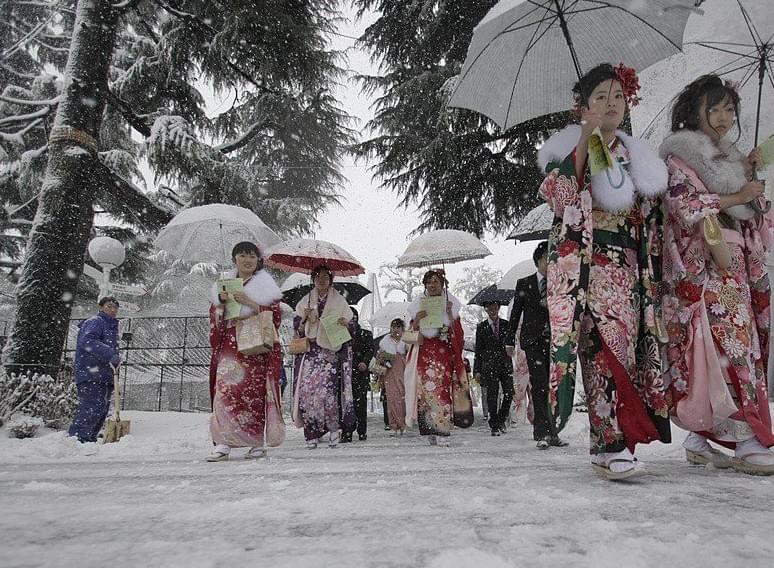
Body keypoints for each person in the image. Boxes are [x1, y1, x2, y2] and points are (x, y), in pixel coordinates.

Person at [537, 63, 671, 479]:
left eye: (617, 96)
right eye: (600, 98)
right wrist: (585, 138)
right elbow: (562, 199)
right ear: (583, 106)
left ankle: (611, 444)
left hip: (629, 270)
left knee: (626, 354)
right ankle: (612, 443)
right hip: (588, 271)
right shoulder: (569, 148)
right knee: (601, 355)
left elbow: (649, 216)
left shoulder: (637, 156)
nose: (611, 104)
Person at [659, 75, 774, 475]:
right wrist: (738, 195)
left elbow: (760, 218)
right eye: (716, 108)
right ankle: (746, 438)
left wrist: (752, 182)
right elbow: (685, 207)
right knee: (729, 347)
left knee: (730, 349)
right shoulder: (679, 159)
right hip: (705, 265)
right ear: (695, 111)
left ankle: (700, 435)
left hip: (736, 264)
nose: (724, 118)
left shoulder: (734, 158)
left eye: (729, 109)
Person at [206, 242, 283, 461]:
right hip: (230, 348)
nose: (247, 260)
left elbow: (275, 318)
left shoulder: (267, 287)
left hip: (253, 348)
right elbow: (215, 318)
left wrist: (250, 303)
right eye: (242, 255)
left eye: (252, 256)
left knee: (253, 396)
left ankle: (255, 441)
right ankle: (223, 442)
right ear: (234, 259)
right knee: (224, 393)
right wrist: (220, 305)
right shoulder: (224, 285)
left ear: (258, 260)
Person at [507, 241, 567, 449]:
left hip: (557, 341)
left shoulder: (560, 284)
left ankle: (554, 431)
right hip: (533, 341)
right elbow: (515, 315)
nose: (548, 264)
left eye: (552, 260)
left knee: (555, 386)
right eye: (545, 260)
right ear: (538, 261)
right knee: (540, 385)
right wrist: (509, 341)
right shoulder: (525, 283)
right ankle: (541, 432)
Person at [292, 265, 356, 449]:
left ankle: (334, 429)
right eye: (318, 277)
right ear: (313, 279)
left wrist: (346, 323)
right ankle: (311, 432)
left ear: (331, 280)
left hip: (329, 352)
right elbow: (298, 329)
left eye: (325, 277)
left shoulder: (339, 301)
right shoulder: (306, 300)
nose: (321, 280)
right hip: (310, 352)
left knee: (327, 393)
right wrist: (303, 319)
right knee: (307, 393)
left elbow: (351, 326)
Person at [404, 269, 467, 446]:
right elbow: (409, 336)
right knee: (424, 392)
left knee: (441, 390)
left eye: (436, 282)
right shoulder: (418, 305)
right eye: (428, 282)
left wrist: (449, 316)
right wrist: (416, 320)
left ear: (442, 285)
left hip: (442, 354)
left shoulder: (450, 305)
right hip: (424, 353)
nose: (432, 285)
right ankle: (429, 430)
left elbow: (458, 336)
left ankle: (442, 429)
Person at [68, 296, 121, 443]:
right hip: (91, 373)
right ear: (101, 307)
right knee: (91, 407)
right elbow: (87, 341)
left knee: (101, 410)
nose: (113, 310)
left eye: (115, 307)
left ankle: (89, 439)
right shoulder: (95, 322)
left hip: (104, 376)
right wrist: (110, 354)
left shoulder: (112, 328)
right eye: (109, 306)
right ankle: (77, 440)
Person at [474, 301, 514, 437]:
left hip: (505, 363)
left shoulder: (506, 325)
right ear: (486, 310)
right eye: (490, 308)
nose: (493, 310)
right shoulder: (481, 327)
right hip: (489, 365)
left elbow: (511, 342)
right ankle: (494, 425)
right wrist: (477, 370)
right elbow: (478, 351)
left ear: (498, 308)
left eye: (495, 307)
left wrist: (510, 348)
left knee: (509, 392)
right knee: (492, 396)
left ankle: (502, 418)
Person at [342, 308, 374, 442]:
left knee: (360, 402)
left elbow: (370, 349)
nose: (352, 320)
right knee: (346, 403)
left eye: (353, 317)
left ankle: (362, 430)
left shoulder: (365, 334)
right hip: (345, 373)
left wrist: (365, 362)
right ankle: (347, 431)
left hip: (360, 372)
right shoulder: (341, 334)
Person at [378, 318, 408, 436]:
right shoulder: (385, 341)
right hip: (390, 371)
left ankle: (402, 423)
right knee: (391, 399)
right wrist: (384, 357)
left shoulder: (406, 341)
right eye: (393, 327)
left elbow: (411, 354)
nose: (395, 330)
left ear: (402, 329)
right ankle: (394, 425)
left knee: (402, 398)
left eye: (398, 327)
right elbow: (379, 356)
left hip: (403, 369)